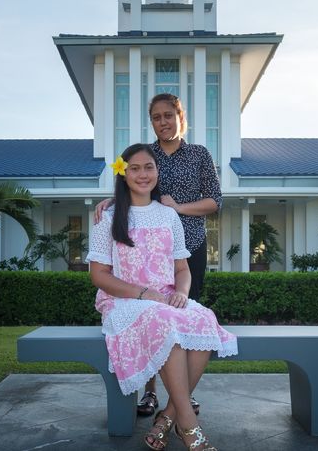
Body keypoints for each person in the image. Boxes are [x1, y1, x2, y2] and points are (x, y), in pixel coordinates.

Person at [87, 143, 237, 451]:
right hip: (125, 300)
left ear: (158, 172)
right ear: (123, 173)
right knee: (166, 322)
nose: (143, 174)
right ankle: (190, 426)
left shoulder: (168, 216)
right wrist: (144, 293)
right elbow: (99, 276)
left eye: (149, 167)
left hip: (165, 298)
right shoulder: (109, 217)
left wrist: (181, 293)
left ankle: (167, 418)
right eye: (135, 168)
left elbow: (182, 269)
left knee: (203, 319)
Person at [94, 93, 223, 416]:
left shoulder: (198, 155)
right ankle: (150, 392)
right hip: (143, 251)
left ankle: (179, 397)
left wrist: (178, 208)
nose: (163, 122)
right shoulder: (147, 154)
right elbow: (133, 182)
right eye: (156, 117)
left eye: (169, 115)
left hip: (187, 247)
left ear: (181, 116)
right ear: (151, 122)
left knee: (181, 316)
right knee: (153, 319)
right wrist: (111, 203)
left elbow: (214, 202)